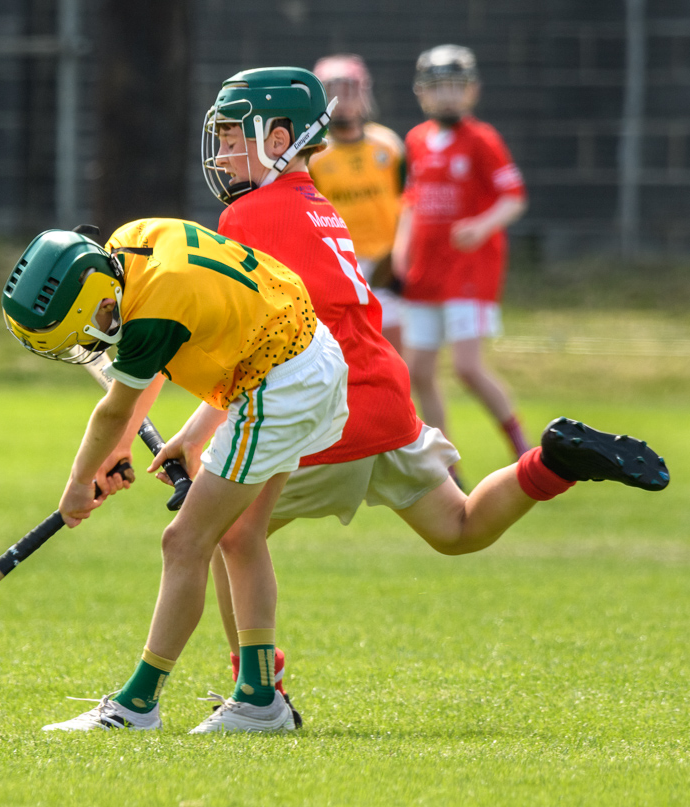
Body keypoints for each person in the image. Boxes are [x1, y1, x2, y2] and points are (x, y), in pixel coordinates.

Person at [193, 65, 670, 726]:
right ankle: (552, 461)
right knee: (459, 526)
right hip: (385, 395)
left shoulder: (245, 214)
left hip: (328, 411)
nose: (221, 153)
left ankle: (256, 690)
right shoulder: (317, 203)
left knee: (225, 528)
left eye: (233, 137)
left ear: (279, 137)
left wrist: (198, 438)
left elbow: (259, 345)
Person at [2, 217, 350, 733]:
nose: (82, 343)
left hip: (278, 387)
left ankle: (137, 706)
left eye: (77, 330)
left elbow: (114, 408)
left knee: (184, 541)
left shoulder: (150, 316)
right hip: (296, 359)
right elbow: (178, 348)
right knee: (239, 534)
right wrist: (182, 438)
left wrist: (77, 486)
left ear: (93, 299)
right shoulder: (129, 246)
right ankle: (259, 699)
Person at [392, 44, 530, 475]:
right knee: (419, 371)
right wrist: (400, 250)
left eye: (456, 87)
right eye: (438, 89)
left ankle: (524, 450)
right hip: (425, 273)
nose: (447, 96)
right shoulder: (415, 139)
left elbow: (513, 197)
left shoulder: (482, 139)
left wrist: (481, 226)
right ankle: (445, 466)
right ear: (421, 93)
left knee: (468, 367)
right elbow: (412, 202)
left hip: (470, 272)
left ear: (472, 92)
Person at [309, 54, 406, 352]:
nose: (343, 101)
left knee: (394, 357)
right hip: (340, 264)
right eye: (334, 92)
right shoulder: (312, 153)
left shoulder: (389, 145)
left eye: (350, 91)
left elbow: (409, 204)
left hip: (386, 264)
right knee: (344, 354)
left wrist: (401, 258)